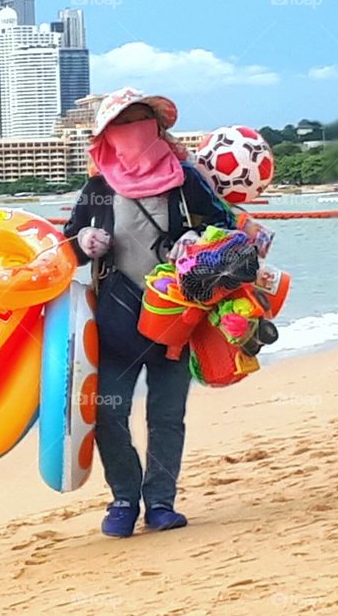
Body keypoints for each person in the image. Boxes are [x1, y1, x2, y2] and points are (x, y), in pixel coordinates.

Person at [63, 87, 233, 538]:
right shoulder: (98, 187)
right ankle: (123, 497)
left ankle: (161, 501)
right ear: (107, 136)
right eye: (123, 124)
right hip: (114, 324)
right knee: (105, 414)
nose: (134, 132)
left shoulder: (185, 181)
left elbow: (227, 227)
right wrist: (83, 244)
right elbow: (67, 245)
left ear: (158, 130)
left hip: (179, 318)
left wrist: (198, 241)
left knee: (166, 415)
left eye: (142, 122)